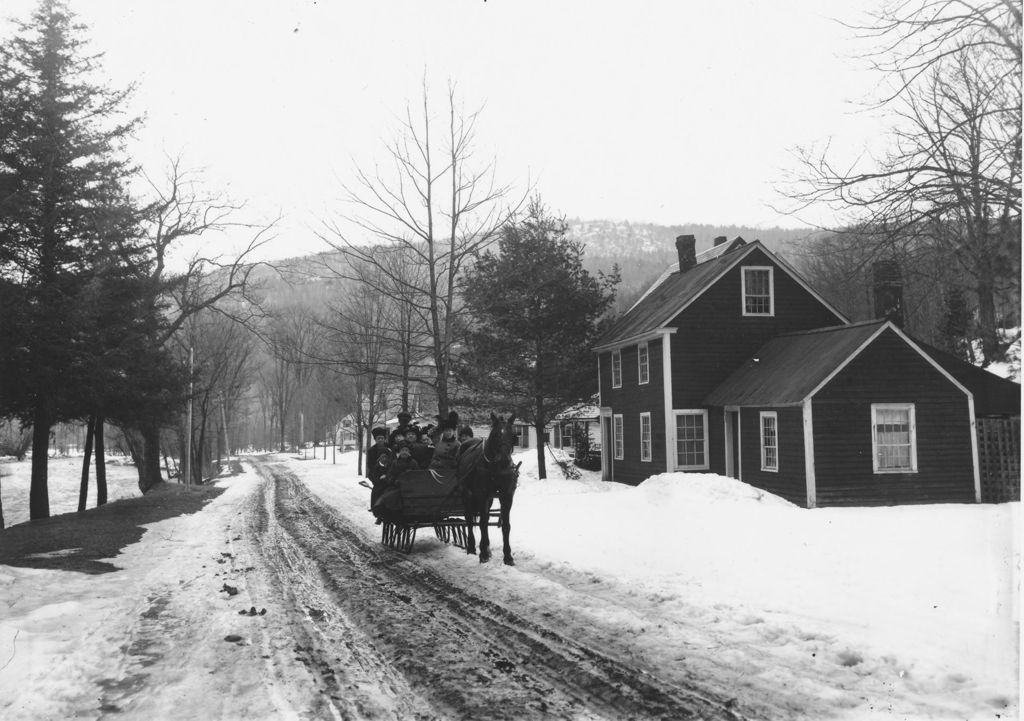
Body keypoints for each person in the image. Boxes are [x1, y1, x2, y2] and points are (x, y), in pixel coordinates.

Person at [366, 427, 389, 510]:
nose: (380, 440)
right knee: (378, 488)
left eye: (382, 438)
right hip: (376, 473)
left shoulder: (389, 448)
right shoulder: (372, 450)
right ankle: (376, 508)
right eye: (378, 438)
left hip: (389, 471)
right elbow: (370, 465)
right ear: (375, 439)